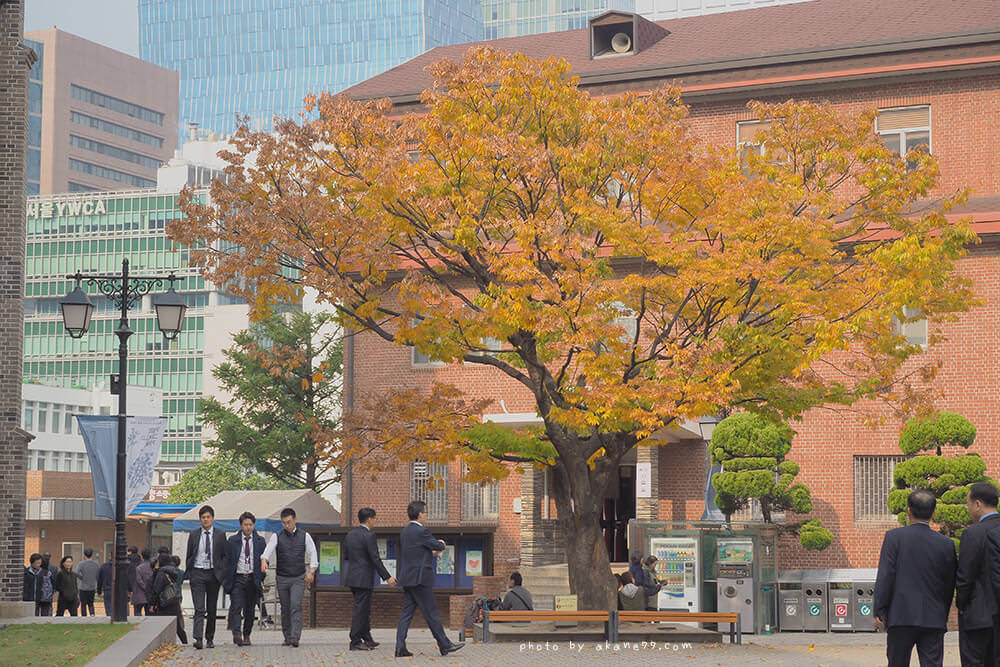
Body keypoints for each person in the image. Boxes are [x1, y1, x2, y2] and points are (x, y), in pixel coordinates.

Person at [874, 489, 957, 667]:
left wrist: (879, 609)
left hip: (900, 615)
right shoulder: (946, 544)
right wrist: (943, 611)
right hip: (933, 616)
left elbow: (886, 575)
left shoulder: (894, 538)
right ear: (934, 513)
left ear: (909, 511)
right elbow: (949, 584)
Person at [394, 500, 464, 658]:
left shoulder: (405, 531)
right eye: (425, 512)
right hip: (421, 579)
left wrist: (429, 554)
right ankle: (445, 645)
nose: (426, 515)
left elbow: (415, 552)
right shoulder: (422, 531)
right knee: (431, 613)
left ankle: (400, 647)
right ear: (419, 514)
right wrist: (441, 543)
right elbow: (437, 546)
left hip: (408, 578)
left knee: (406, 614)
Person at [261, 507, 318, 648]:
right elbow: (267, 551)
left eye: (289, 522)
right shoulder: (277, 536)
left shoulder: (305, 536)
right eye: (284, 523)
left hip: (298, 577)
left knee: (295, 605)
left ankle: (295, 636)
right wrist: (264, 560)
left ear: (295, 520)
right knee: (285, 608)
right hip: (282, 577)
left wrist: (311, 571)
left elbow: (313, 555)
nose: (287, 525)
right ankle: (287, 636)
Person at [344, 507, 396, 651]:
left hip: (352, 577)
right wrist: (387, 577)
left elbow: (346, 556)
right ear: (369, 519)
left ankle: (367, 638)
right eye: (374, 518)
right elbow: (375, 558)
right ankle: (354, 641)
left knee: (364, 609)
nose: (375, 521)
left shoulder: (350, 535)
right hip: (364, 578)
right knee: (361, 610)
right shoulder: (369, 536)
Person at [185, 504, 228, 650]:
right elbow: (189, 554)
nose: (206, 520)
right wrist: (190, 572)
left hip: (213, 574)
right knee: (199, 608)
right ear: (200, 520)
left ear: (213, 518)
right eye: (203, 517)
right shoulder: (194, 534)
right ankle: (198, 638)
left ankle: (210, 638)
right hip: (197, 573)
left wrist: (221, 572)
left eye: (208, 517)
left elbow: (224, 556)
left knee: (211, 608)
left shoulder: (220, 535)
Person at [224, 511, 267, 647]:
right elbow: (227, 560)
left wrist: (261, 575)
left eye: (250, 524)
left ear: (254, 525)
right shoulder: (232, 541)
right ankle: (237, 634)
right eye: (245, 525)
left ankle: (247, 634)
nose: (248, 527)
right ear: (241, 525)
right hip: (238, 578)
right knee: (236, 607)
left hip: (253, 579)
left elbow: (265, 560)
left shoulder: (260, 541)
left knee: (249, 610)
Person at [151, 553, 188, 645]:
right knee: (178, 626)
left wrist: (152, 603)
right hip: (173, 599)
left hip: (164, 601)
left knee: (161, 623)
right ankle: (185, 642)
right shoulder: (174, 571)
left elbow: (157, 588)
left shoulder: (161, 572)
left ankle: (162, 643)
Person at [77, 549, 99, 617]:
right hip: (92, 587)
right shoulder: (96, 564)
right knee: (91, 603)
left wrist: (82, 578)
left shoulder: (81, 564)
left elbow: (77, 573)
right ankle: (92, 615)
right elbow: (98, 574)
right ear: (91, 554)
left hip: (83, 587)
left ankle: (84, 617)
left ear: (84, 555)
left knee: (83, 604)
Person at [132, 548, 154, 616]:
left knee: (137, 612)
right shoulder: (153, 567)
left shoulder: (139, 568)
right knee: (148, 614)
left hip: (139, 594)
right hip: (150, 595)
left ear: (142, 556)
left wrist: (145, 587)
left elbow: (139, 580)